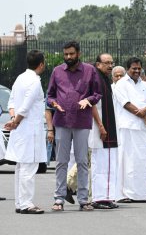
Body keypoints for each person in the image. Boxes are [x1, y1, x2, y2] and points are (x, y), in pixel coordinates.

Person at [48, 41, 102, 211]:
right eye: (66, 54)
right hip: (62, 121)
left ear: (79, 53)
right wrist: (54, 104)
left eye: (71, 54)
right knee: (61, 161)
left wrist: (88, 100)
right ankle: (59, 199)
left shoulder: (90, 70)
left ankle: (84, 199)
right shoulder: (57, 71)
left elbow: (97, 93)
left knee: (82, 161)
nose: (68, 57)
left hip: (82, 122)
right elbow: (49, 96)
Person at [4, 50, 47, 214]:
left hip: (20, 127)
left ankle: (20, 202)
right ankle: (26, 203)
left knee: (21, 167)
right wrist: (16, 121)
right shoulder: (34, 81)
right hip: (29, 129)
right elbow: (26, 105)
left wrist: (14, 119)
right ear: (41, 64)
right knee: (28, 167)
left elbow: (12, 101)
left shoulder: (20, 78)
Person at [114, 57, 146, 203]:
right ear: (128, 69)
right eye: (134, 68)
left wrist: (144, 112)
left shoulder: (144, 84)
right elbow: (126, 104)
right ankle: (124, 194)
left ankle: (141, 194)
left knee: (141, 161)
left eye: (139, 68)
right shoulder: (121, 84)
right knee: (127, 161)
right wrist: (143, 115)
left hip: (142, 129)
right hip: (127, 127)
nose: (137, 71)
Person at [88, 53, 119, 209]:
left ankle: (107, 197)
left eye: (111, 63)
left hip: (108, 127)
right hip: (100, 128)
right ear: (98, 64)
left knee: (108, 163)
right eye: (106, 63)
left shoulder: (105, 79)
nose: (110, 66)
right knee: (99, 164)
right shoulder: (95, 79)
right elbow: (92, 104)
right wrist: (100, 125)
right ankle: (98, 198)